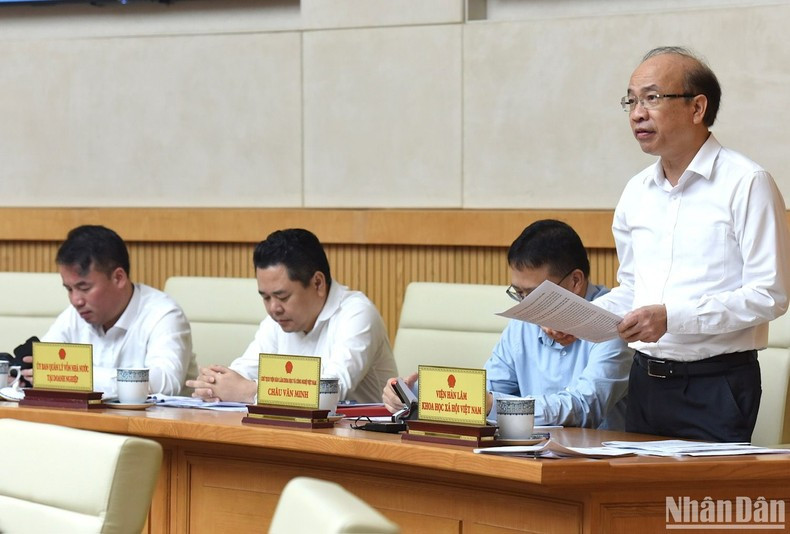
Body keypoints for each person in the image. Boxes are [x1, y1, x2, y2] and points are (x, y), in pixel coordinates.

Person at [592, 46, 790, 442]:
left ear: (697, 107)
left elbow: (770, 294)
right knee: (639, 503)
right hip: (645, 382)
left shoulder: (747, 182)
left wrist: (672, 318)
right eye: (631, 100)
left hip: (717, 385)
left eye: (652, 97)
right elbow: (633, 289)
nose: (636, 113)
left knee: (698, 504)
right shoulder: (636, 192)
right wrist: (578, 315)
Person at [383, 220, 631, 430]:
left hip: (597, 465)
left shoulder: (613, 324)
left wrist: (493, 406)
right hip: (526, 452)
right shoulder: (524, 323)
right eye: (519, 293)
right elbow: (489, 389)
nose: (526, 306)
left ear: (576, 281)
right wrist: (415, 395)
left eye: (534, 294)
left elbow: (583, 408)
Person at [187, 228, 397, 404]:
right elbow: (244, 371)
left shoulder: (357, 313)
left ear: (318, 283)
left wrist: (249, 392)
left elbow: (331, 389)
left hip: (360, 443)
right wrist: (216, 384)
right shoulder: (278, 319)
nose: (273, 308)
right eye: (266, 298)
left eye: (282, 296)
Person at [21, 225, 197, 396]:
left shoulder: (163, 314)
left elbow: (166, 382)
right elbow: (43, 366)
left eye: (84, 287)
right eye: (69, 289)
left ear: (118, 278)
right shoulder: (75, 315)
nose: (76, 300)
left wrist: (77, 376)